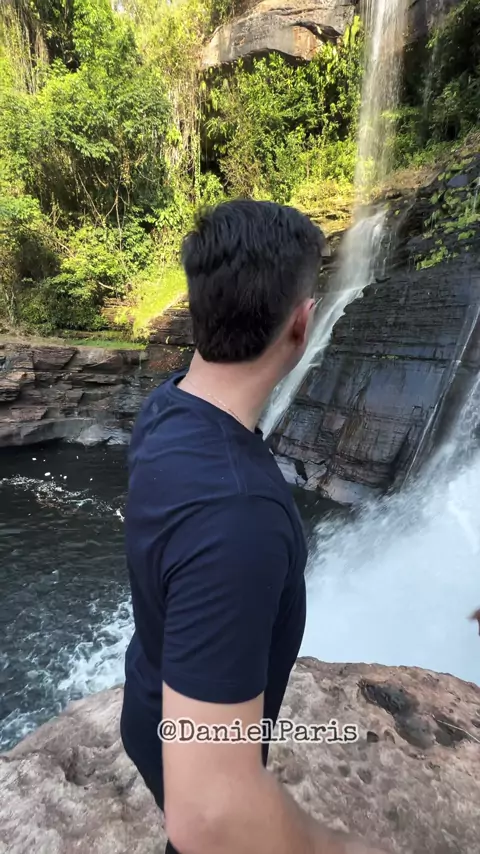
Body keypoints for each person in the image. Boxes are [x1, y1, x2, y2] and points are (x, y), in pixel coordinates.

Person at [121, 200, 389, 854]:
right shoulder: (238, 516)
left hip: (151, 703)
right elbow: (210, 815)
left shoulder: (169, 407)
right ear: (303, 322)